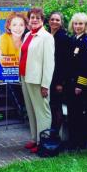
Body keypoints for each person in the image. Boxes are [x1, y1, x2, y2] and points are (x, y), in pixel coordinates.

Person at [20, 8, 55, 153]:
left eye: (37, 18)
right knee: (31, 110)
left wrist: (45, 85)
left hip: (37, 80)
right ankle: (34, 139)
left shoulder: (46, 37)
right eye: (32, 17)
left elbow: (49, 63)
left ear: (42, 20)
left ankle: (43, 142)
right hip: (25, 77)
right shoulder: (28, 34)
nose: (34, 20)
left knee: (42, 112)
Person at [66, 12, 87, 150]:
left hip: (79, 85)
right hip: (71, 83)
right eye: (76, 23)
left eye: (81, 24)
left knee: (79, 114)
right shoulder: (73, 39)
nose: (78, 26)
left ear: (86, 25)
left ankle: (80, 142)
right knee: (72, 113)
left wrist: (80, 85)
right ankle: (72, 140)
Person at [48, 11, 70, 135]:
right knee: (52, 106)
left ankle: (55, 135)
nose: (54, 22)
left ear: (61, 22)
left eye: (57, 20)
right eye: (52, 19)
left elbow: (64, 62)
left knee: (57, 107)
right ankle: (53, 133)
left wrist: (60, 82)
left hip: (57, 79)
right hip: (49, 77)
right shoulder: (49, 35)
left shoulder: (62, 37)